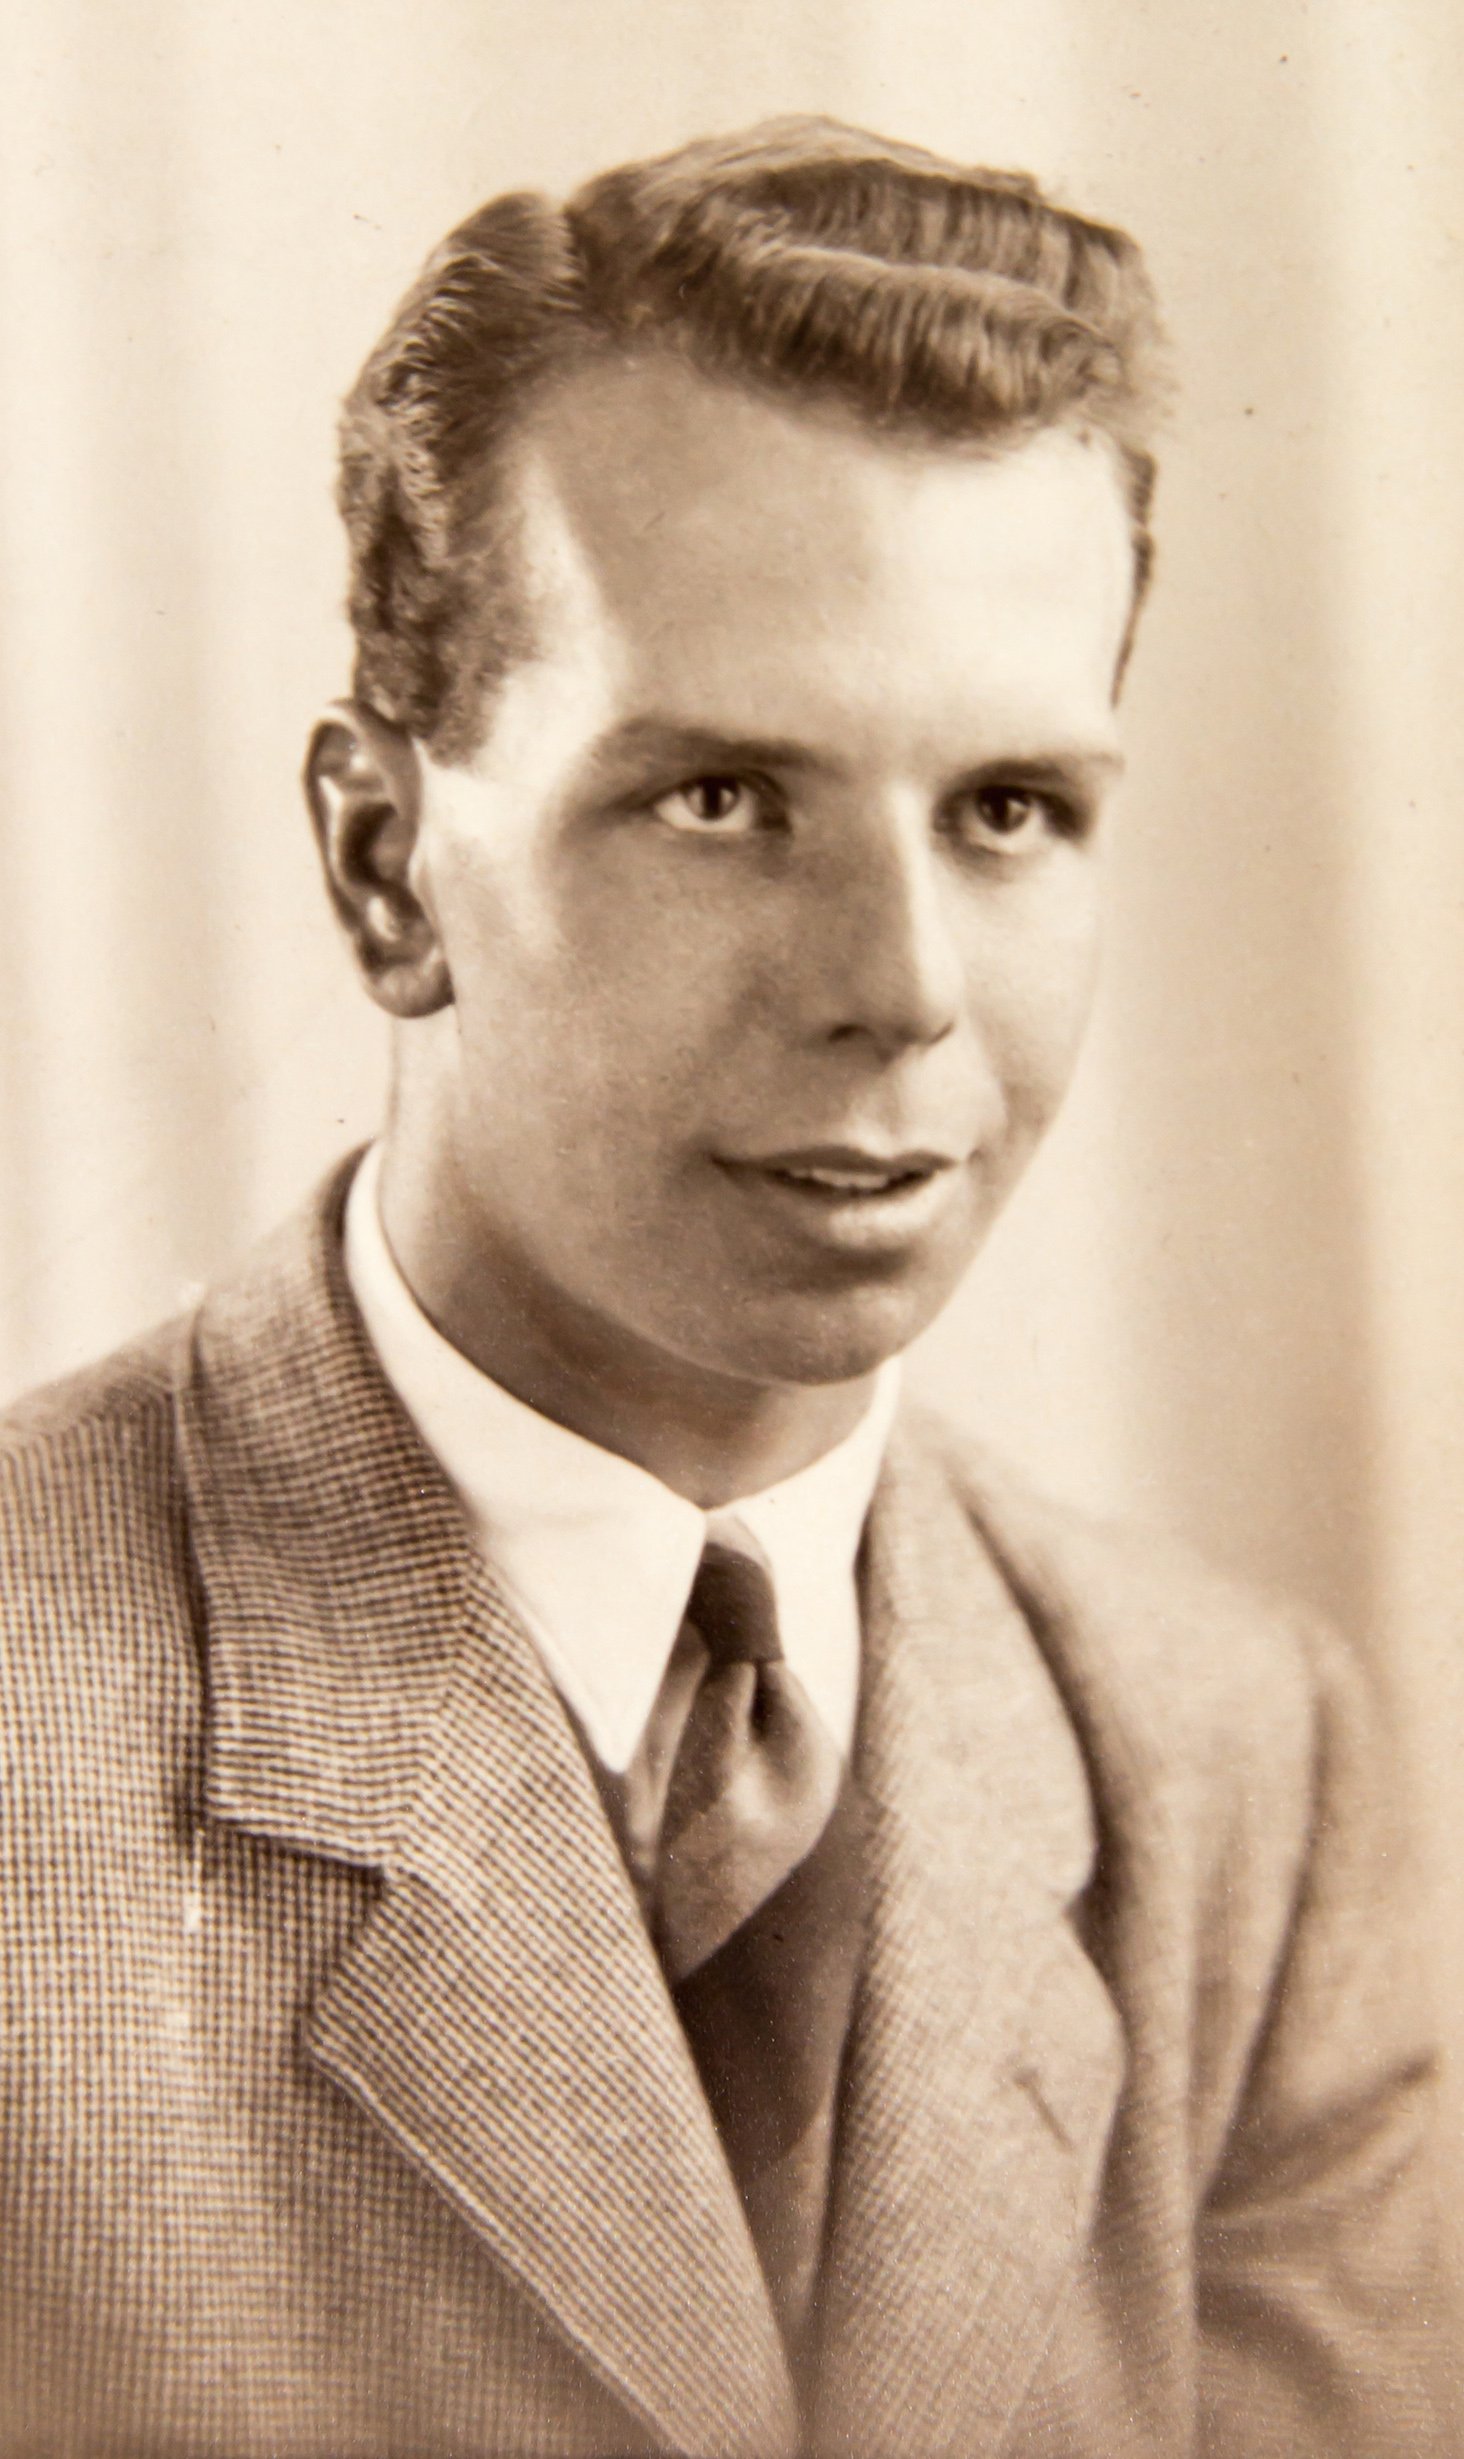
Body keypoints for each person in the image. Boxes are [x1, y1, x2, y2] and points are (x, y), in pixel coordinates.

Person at [0, 118, 1448, 2459]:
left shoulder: (1231, 1765)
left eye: (1008, 812)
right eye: (721, 803)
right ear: (388, 867)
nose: (900, 992)